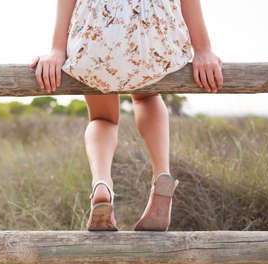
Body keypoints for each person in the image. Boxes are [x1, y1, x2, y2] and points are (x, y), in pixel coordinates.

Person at [29, 0, 223, 231]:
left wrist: (56, 50)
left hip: (98, 35)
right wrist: (203, 49)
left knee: (103, 119)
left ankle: (102, 183)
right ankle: (162, 176)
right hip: (154, 34)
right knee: (146, 97)